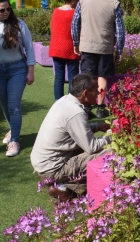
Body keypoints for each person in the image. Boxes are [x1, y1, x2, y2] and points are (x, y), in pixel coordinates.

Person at [31, 73, 112, 201]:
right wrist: (112, 136)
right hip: (53, 169)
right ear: (86, 93)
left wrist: (97, 126)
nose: (99, 92)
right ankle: (62, 187)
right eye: (96, 89)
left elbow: (74, 129)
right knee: (110, 152)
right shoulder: (76, 112)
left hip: (42, 163)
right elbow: (91, 147)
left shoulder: (65, 101)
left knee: (88, 149)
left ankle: (63, 185)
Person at [0, 0, 35, 157]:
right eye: (1, 10)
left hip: (17, 69)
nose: (6, 13)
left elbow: (29, 48)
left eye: (8, 9)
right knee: (5, 105)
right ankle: (12, 130)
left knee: (14, 106)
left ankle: (14, 141)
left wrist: (30, 71)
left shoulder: (19, 25)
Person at [71, 0, 124, 119]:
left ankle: (86, 108)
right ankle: (101, 108)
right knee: (102, 77)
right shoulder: (114, 3)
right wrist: (119, 50)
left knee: (87, 77)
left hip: (87, 45)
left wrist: (76, 42)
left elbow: (75, 22)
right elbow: (119, 30)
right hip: (105, 47)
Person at [49, 0, 81, 100]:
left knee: (59, 78)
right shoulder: (74, 13)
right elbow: (79, 30)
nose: (78, 2)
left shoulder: (56, 11)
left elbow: (52, 27)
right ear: (73, 0)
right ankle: (70, 102)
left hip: (56, 48)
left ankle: (58, 102)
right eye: (77, 0)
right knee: (73, 77)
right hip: (70, 49)